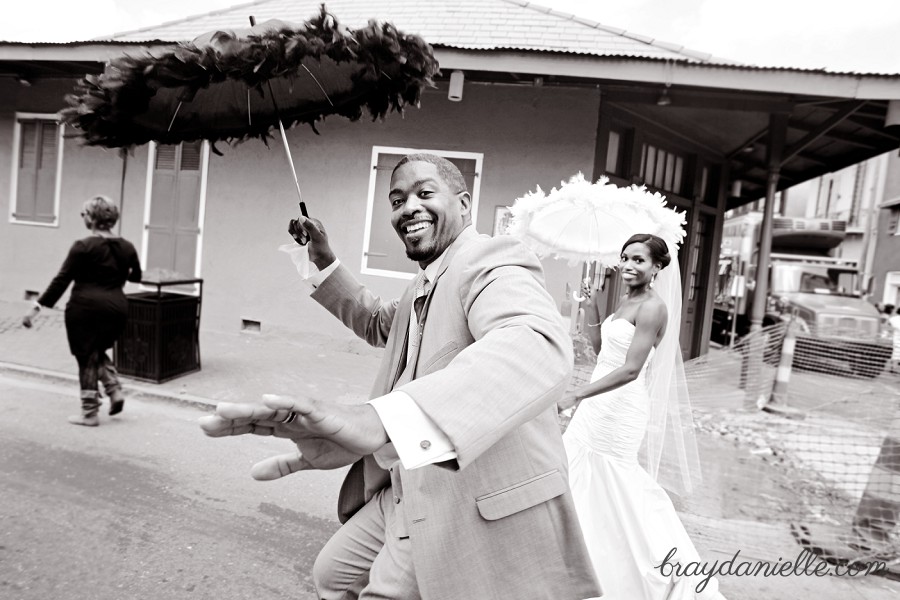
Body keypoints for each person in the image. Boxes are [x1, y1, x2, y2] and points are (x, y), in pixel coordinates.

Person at [199, 154, 600, 600]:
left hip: (460, 492)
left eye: (425, 193)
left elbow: (533, 342)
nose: (408, 207)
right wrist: (324, 259)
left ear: (464, 204)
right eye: (396, 199)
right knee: (332, 577)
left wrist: (382, 421)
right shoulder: (423, 282)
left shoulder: (490, 259)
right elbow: (376, 321)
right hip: (401, 486)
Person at [559, 233, 726, 599]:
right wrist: (591, 311)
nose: (629, 266)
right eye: (625, 258)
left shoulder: (653, 307)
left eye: (639, 260)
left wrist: (576, 393)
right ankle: (577, 564)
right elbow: (605, 352)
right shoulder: (625, 300)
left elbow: (631, 369)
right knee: (581, 479)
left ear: (658, 267)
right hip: (597, 404)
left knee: (617, 487)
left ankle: (654, 569)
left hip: (620, 408)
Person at [22, 195, 142, 426]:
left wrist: (35, 309)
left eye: (84, 214)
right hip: (117, 307)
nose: (83, 218)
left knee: (86, 357)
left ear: (92, 218)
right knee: (95, 350)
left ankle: (89, 413)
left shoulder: (83, 246)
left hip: (84, 309)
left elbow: (61, 281)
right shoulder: (127, 247)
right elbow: (136, 276)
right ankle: (113, 389)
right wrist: (113, 278)